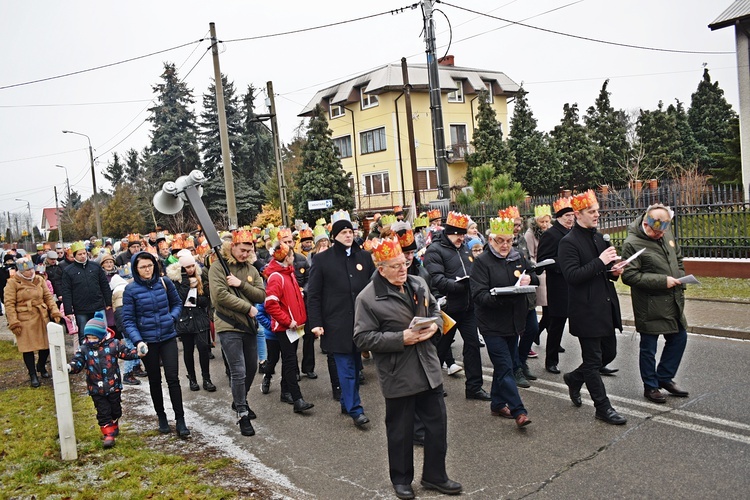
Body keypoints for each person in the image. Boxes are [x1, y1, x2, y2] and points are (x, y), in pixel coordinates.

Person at [354, 237, 462, 500]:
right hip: (398, 373)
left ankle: (435, 475)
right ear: (381, 269)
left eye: (404, 263)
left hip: (428, 368)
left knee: (437, 427)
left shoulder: (418, 283)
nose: (404, 268)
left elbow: (436, 309)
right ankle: (401, 479)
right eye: (396, 265)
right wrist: (400, 338)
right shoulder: (367, 298)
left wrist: (435, 324)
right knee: (400, 432)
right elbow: (362, 338)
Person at [558, 190, 626, 425]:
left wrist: (614, 271)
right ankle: (602, 407)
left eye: (597, 210)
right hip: (586, 310)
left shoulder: (599, 238)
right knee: (593, 359)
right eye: (592, 211)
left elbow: (601, 273)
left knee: (608, 354)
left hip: (605, 306)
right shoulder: (568, 243)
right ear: (578, 214)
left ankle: (574, 378)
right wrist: (601, 261)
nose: (597, 215)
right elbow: (572, 276)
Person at [308, 210, 376, 428]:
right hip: (336, 323)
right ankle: (356, 410)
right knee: (345, 369)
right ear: (335, 235)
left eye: (351, 232)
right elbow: (314, 295)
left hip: (361, 322)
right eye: (344, 232)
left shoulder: (364, 257)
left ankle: (348, 403)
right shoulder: (322, 260)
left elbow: (374, 287)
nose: (348, 235)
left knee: (356, 368)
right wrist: (316, 323)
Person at [470, 218, 536, 428]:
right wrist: (502, 296)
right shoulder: (482, 262)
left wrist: (529, 280)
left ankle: (497, 403)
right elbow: (478, 295)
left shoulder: (518, 256)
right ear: (490, 240)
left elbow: (533, 275)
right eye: (500, 240)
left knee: (502, 366)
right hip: (491, 324)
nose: (505, 245)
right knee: (506, 367)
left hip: (514, 322)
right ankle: (519, 411)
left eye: (509, 240)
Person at [621, 204, 690, 403]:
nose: (660, 235)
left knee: (679, 338)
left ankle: (665, 377)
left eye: (663, 231)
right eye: (656, 231)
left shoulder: (666, 235)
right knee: (648, 348)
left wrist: (681, 276)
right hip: (649, 304)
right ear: (645, 224)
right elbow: (630, 276)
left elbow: (678, 259)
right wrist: (662, 281)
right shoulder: (632, 243)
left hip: (672, 301)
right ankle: (650, 387)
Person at [424, 211, 491, 402]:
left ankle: (474, 387)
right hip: (447, 309)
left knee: (472, 346)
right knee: (440, 349)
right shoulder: (435, 250)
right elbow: (436, 279)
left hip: (468, 307)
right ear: (448, 232)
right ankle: (431, 386)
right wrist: (458, 286)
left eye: (463, 234)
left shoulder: (465, 249)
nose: (461, 238)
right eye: (457, 234)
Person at [122, 251, 189, 437]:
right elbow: (128, 320)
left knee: (173, 378)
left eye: (150, 266)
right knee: (154, 380)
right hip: (147, 341)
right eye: (143, 267)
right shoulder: (131, 290)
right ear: (136, 269)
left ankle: (180, 418)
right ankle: (161, 416)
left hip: (167, 336)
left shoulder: (164, 283)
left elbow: (177, 303)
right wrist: (138, 340)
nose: (147, 270)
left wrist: (172, 317)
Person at [208, 229, 266, 437]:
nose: (245, 254)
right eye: (242, 250)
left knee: (251, 368)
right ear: (232, 246)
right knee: (238, 370)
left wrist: (240, 284)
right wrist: (247, 308)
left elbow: (261, 295)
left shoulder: (251, 269)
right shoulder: (217, 267)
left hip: (248, 326)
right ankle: (242, 413)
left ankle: (240, 399)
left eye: (248, 251)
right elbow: (219, 296)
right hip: (228, 325)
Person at [67, 311, 145, 449]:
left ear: (102, 336)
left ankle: (114, 423)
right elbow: (78, 362)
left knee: (115, 410)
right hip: (96, 388)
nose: (91, 341)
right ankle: (108, 435)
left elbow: (125, 353)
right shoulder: (84, 349)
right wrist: (70, 367)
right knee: (103, 412)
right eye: (88, 337)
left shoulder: (113, 344)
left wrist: (138, 353)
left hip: (113, 385)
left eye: (93, 338)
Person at [263, 241, 314, 413]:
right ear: (286, 257)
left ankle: (286, 391)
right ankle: (297, 398)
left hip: (295, 326)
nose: (294, 257)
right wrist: (287, 321)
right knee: (291, 361)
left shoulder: (288, 273)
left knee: (289, 360)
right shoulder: (277, 277)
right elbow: (271, 304)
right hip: (286, 327)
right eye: (292, 255)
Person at [5, 257, 62, 387]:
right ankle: (32, 375)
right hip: (24, 318)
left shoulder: (39, 279)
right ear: (20, 271)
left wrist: (54, 311)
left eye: (31, 269)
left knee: (46, 345)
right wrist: (14, 322)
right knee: (28, 348)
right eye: (26, 270)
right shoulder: (13, 283)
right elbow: (9, 303)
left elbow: (48, 297)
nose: (30, 272)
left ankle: (41, 366)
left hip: (41, 316)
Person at [167, 251, 216, 393]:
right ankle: (192, 379)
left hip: (199, 318)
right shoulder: (175, 282)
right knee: (188, 351)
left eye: (192, 266)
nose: (190, 269)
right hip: (184, 320)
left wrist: (197, 297)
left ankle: (206, 378)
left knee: (203, 350)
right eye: (187, 267)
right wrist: (187, 285)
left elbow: (206, 299)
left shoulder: (199, 278)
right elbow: (178, 300)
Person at [537, 196, 575, 374]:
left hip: (576, 284)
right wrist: (565, 264)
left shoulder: (575, 232)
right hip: (559, 287)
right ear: (558, 217)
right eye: (567, 215)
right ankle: (551, 360)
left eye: (573, 215)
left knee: (585, 323)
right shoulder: (550, 234)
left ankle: (596, 360)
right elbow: (542, 261)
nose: (570, 218)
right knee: (556, 324)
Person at [60, 241, 113, 346]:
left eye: (84, 253)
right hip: (81, 308)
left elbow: (104, 285)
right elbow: (66, 291)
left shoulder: (95, 267)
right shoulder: (68, 271)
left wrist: (108, 302)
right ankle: (85, 355)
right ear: (74, 255)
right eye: (80, 254)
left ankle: (104, 352)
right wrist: (68, 310)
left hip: (97, 306)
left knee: (102, 330)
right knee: (84, 333)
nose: (83, 256)